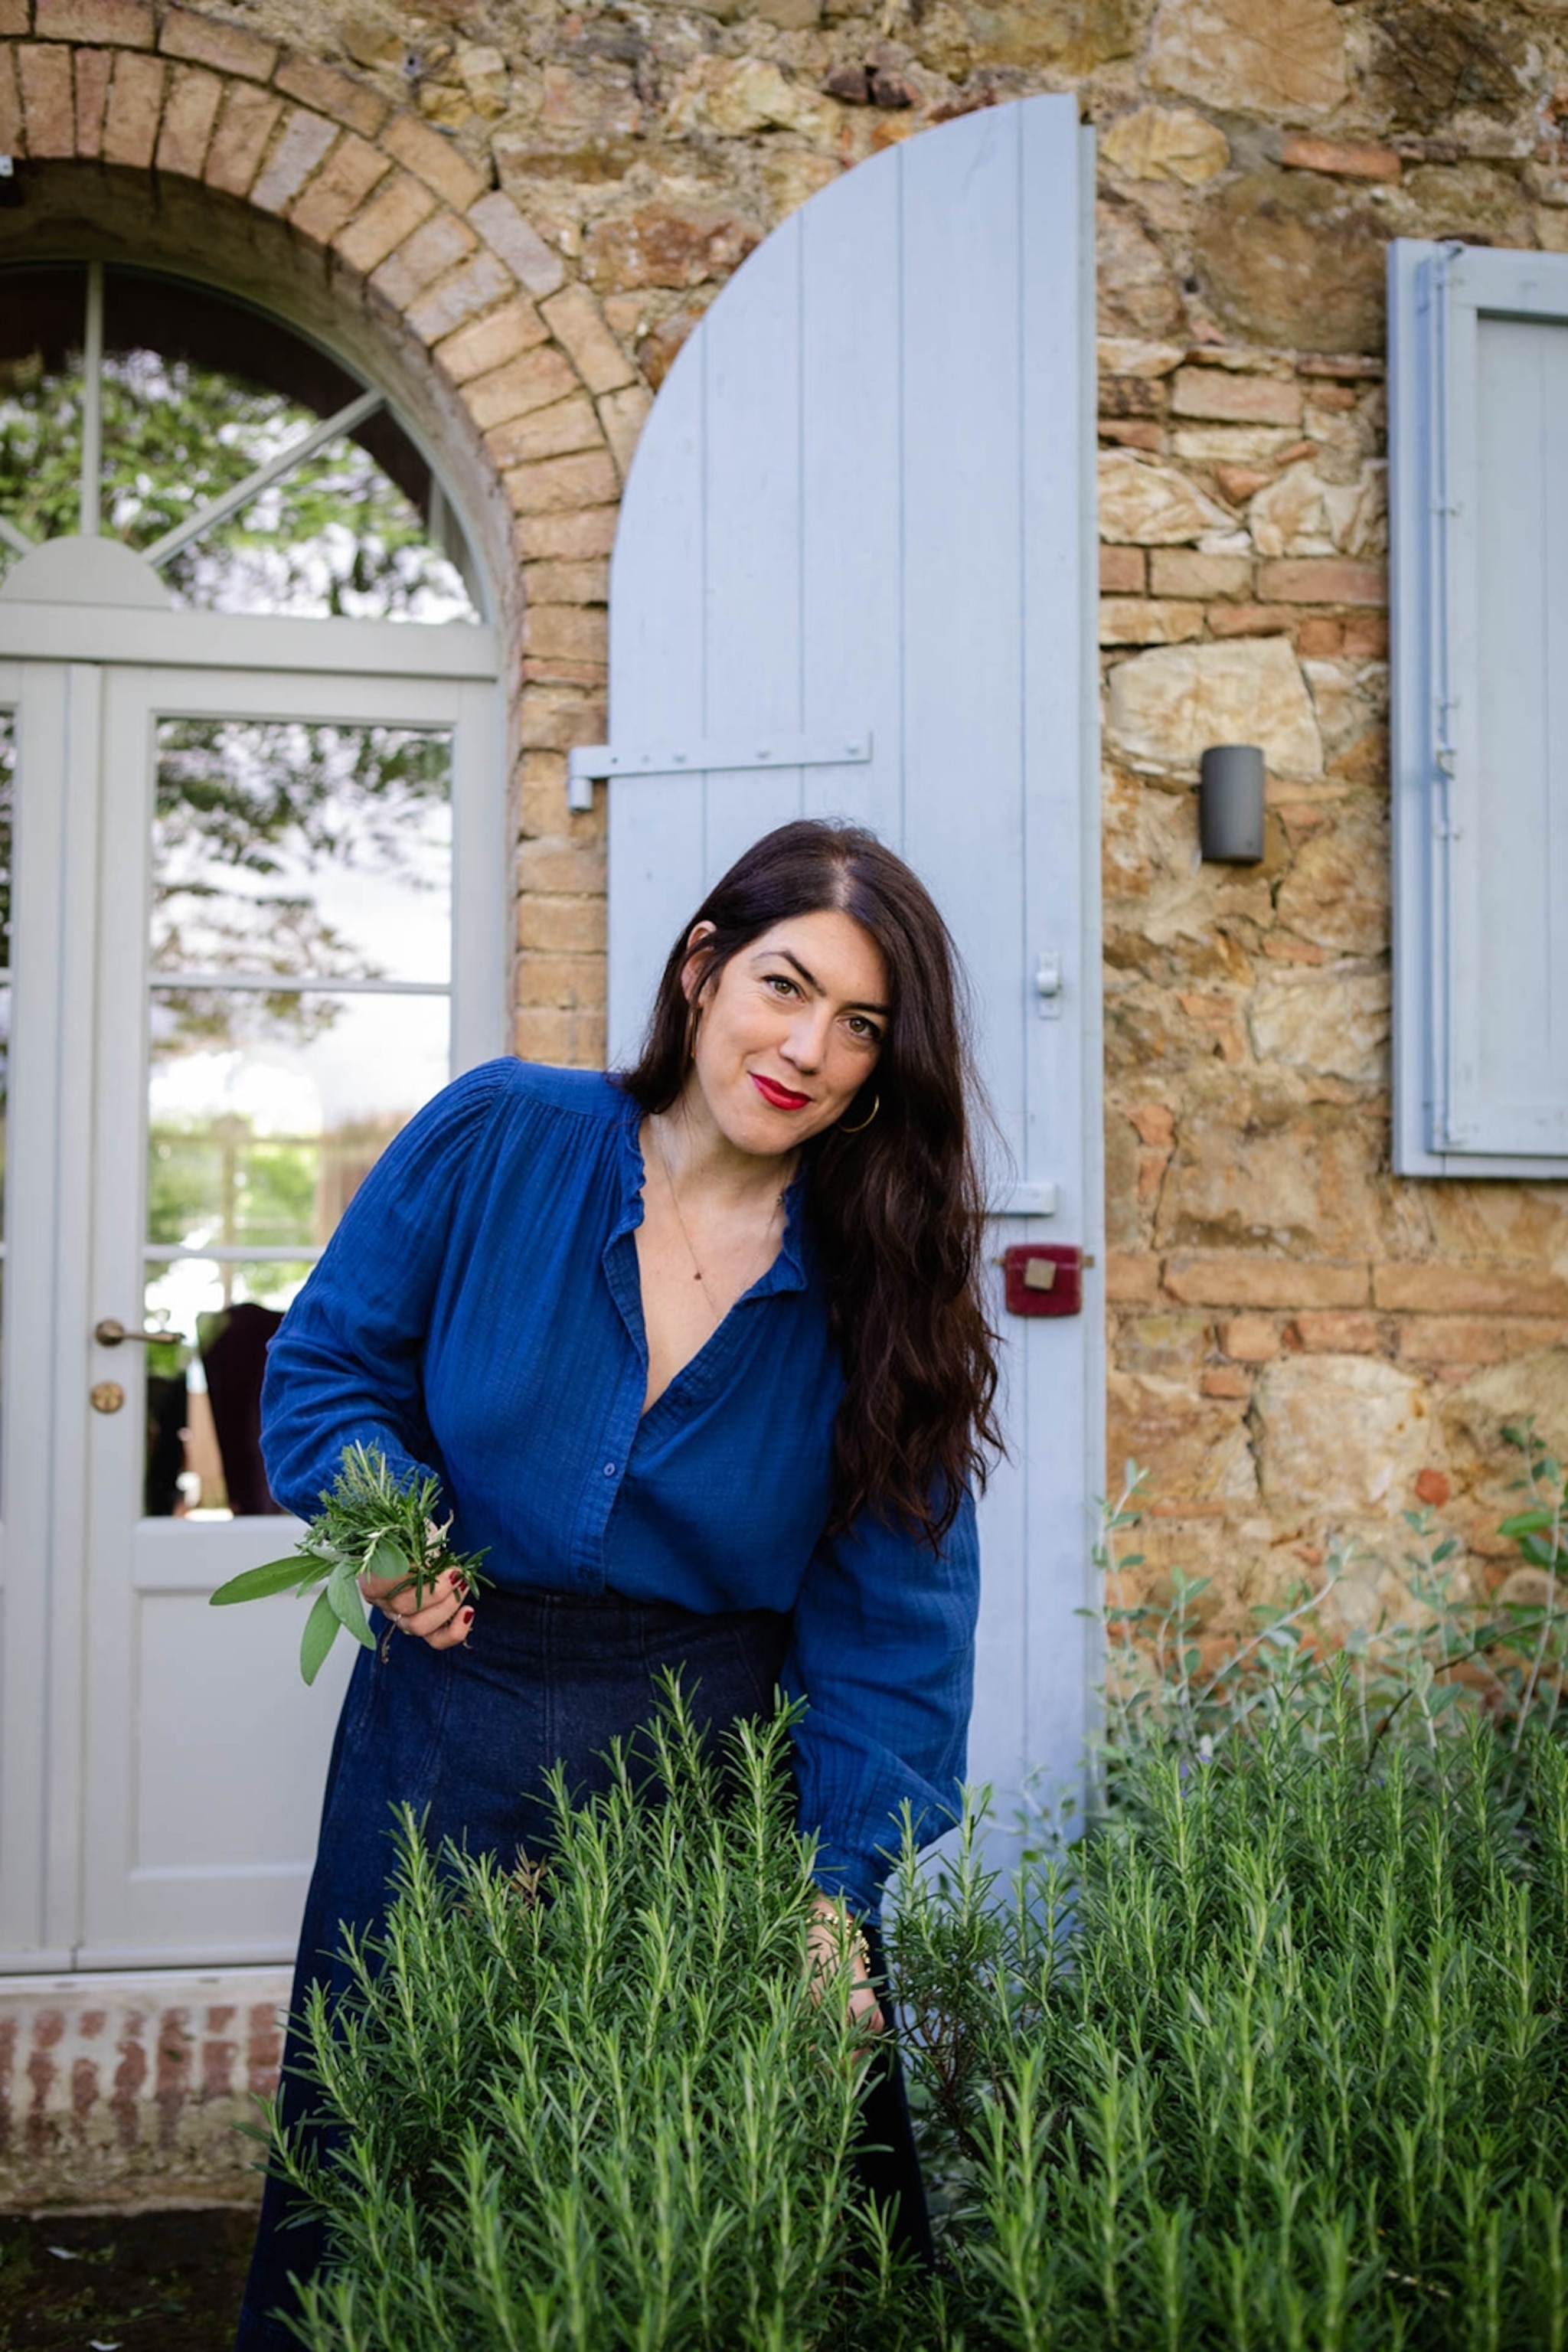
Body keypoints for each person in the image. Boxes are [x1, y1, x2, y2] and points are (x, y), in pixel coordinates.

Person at [234, 817, 1001, 2349]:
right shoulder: (498, 1137)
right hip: (443, 1745)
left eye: (861, 1026)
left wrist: (834, 1906)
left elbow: (891, 1627)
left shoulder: (877, 1286)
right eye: (784, 986)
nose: (808, 1048)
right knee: (399, 2182)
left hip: (708, 1779)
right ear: (702, 968)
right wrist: (386, 1533)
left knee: (692, 2233)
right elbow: (327, 1369)